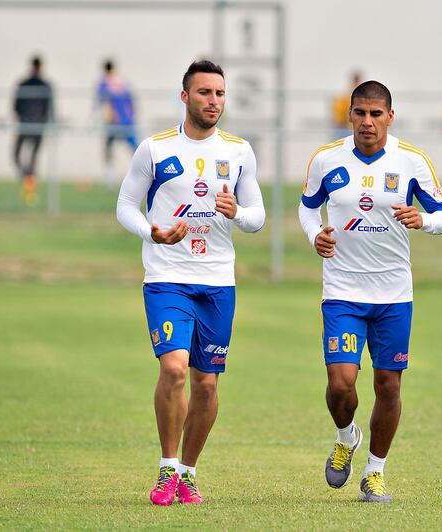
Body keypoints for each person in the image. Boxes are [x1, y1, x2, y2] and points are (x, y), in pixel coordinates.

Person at [116, 60, 266, 506]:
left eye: (219, 94)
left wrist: (236, 211)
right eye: (204, 93)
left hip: (218, 282)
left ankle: (188, 472)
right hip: (167, 278)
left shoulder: (239, 151)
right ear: (185, 97)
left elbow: (257, 218)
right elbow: (125, 205)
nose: (213, 101)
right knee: (174, 369)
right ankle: (166, 468)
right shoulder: (155, 149)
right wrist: (152, 232)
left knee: (207, 384)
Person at [298, 80, 442, 503]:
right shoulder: (327, 159)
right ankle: (347, 436)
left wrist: (424, 220)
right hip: (343, 291)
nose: (368, 122)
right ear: (349, 115)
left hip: (393, 294)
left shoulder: (412, 161)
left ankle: (375, 472)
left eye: (376, 114)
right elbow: (308, 206)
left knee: (388, 386)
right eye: (360, 114)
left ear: (390, 116)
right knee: (341, 384)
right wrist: (315, 235)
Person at [12, 55, 53, 206]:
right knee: (24, 158)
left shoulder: (27, 84)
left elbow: (16, 105)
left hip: (30, 125)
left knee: (22, 157)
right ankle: (28, 180)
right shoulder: (40, 85)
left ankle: (29, 187)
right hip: (31, 125)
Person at [97, 59, 138, 188]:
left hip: (115, 122)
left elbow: (104, 104)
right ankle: (141, 175)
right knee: (135, 150)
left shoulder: (104, 84)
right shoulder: (122, 82)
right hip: (127, 121)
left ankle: (110, 179)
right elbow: (132, 103)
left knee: (109, 149)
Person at [331, 71, 361, 139]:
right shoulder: (346, 97)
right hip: (346, 128)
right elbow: (339, 113)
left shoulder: (349, 97)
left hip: (353, 128)